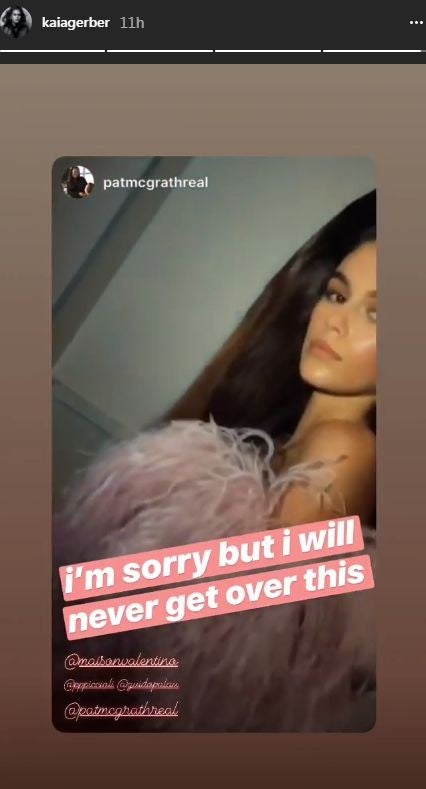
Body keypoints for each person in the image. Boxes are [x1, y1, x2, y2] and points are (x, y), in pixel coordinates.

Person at [53, 189, 377, 732]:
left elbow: (238, 619)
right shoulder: (290, 439)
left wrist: (75, 611)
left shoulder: (347, 450)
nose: (336, 322)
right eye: (337, 295)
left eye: (376, 314)